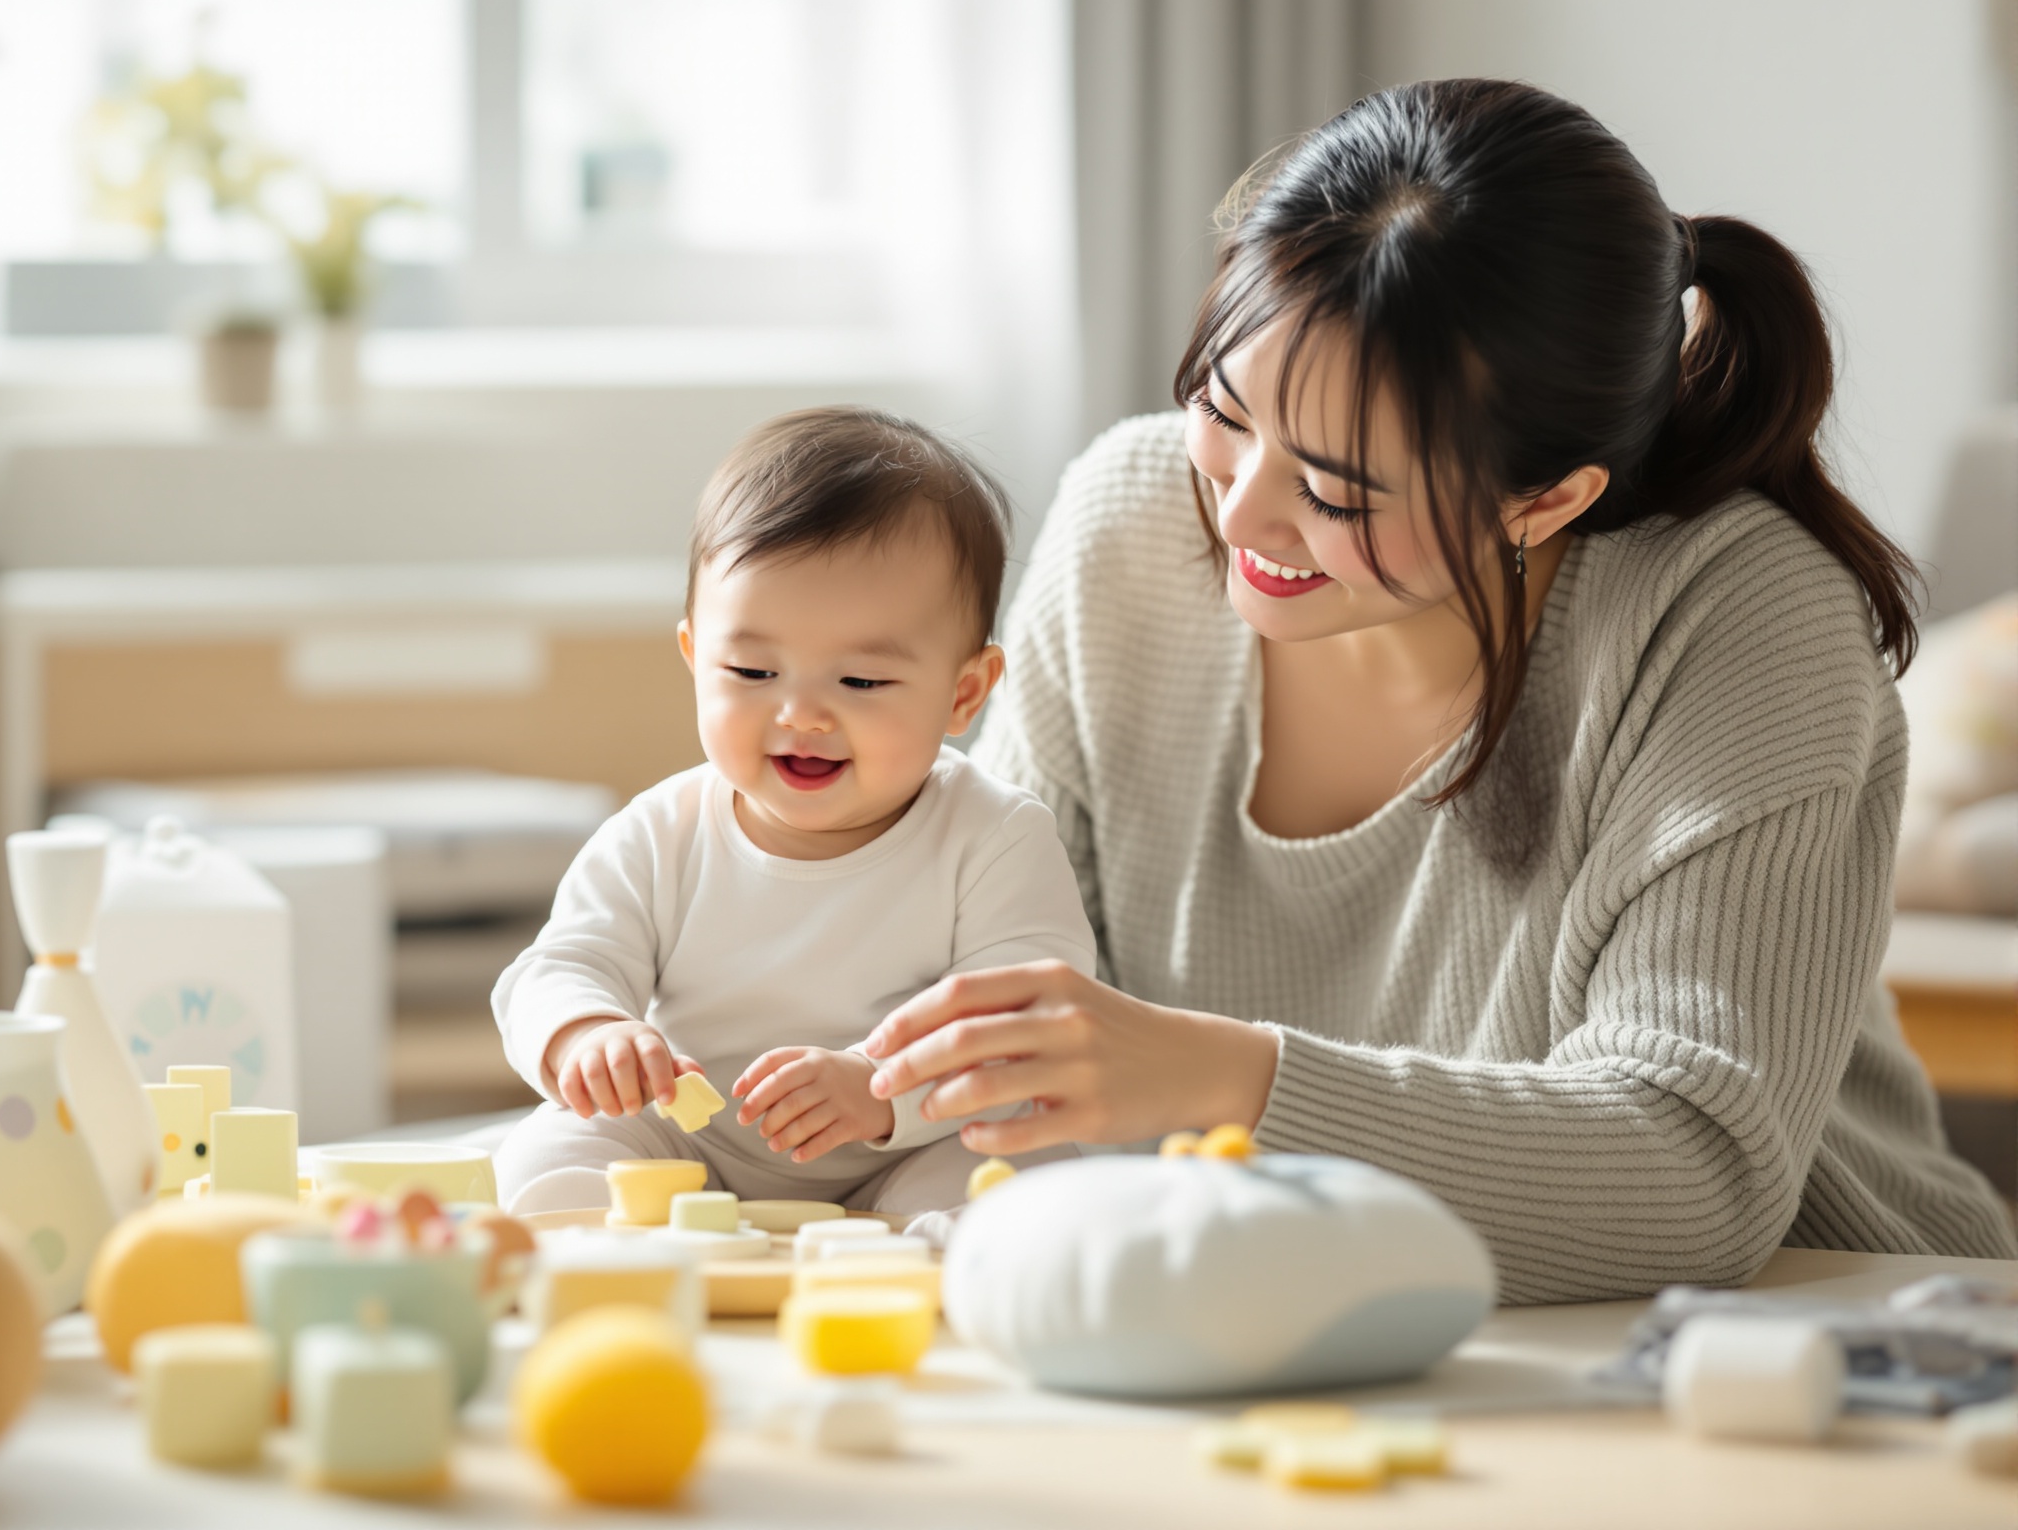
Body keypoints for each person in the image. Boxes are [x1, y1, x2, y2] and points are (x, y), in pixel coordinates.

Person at [861, 77, 2018, 1302]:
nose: (1241, 510)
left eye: (1337, 492)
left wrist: (1216, 1078)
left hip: (1814, 1329)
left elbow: (1694, 1174)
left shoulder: (1734, 617)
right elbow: (979, 980)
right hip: (1288, 1309)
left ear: (1547, 498)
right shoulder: (1129, 526)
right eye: (1221, 408)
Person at [491, 407, 1094, 1216]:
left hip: (908, 1147)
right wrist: (588, 1034)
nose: (801, 715)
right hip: (686, 1142)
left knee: (1026, 1172)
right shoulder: (660, 833)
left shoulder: (993, 836)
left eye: (861, 682)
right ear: (694, 658)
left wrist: (882, 1092)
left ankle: (925, 1259)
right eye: (750, 671)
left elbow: (1017, 1026)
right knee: (550, 1147)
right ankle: (608, 1261)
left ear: (964, 694)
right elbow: (559, 966)